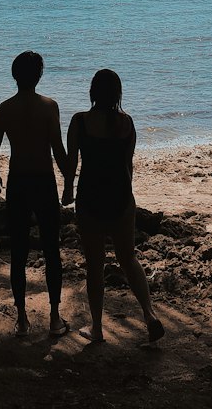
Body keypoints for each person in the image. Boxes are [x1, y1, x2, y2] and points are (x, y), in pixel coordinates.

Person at [63, 68, 164, 345]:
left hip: (91, 197)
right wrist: (127, 198)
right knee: (128, 258)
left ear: (92, 92)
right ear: (118, 93)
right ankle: (150, 314)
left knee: (95, 265)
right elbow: (128, 165)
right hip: (121, 197)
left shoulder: (80, 122)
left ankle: (97, 328)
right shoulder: (127, 123)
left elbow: (72, 163)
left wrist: (67, 190)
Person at [0, 50, 70, 338]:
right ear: (39, 75)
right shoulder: (50, 106)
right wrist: (70, 179)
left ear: (14, 75)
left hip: (18, 181)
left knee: (19, 251)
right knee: (51, 251)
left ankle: (22, 318)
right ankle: (55, 317)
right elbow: (57, 149)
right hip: (44, 181)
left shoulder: (4, 108)